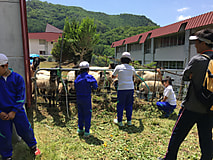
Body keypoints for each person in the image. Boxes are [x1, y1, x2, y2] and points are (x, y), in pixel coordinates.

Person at [158, 28, 213, 160]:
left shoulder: (198, 59)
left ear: (204, 43)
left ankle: (169, 158)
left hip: (191, 106)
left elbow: (185, 77)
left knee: (177, 135)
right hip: (210, 108)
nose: (195, 45)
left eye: (197, 42)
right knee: (206, 138)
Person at [0, 53, 40, 160]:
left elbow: (21, 96)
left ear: (5, 66)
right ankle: (6, 156)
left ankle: (33, 146)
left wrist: (14, 111)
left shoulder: (17, 78)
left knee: (25, 129)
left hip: (17, 111)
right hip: (2, 113)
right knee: (4, 135)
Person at [74, 61, 98, 137]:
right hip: (86, 98)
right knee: (87, 114)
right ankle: (87, 131)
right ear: (88, 69)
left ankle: (80, 129)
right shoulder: (89, 77)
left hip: (78, 98)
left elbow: (75, 86)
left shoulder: (78, 78)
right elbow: (95, 86)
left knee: (80, 113)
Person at [112, 52, 136, 126]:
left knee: (120, 105)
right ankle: (129, 121)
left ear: (121, 59)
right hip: (130, 88)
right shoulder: (132, 68)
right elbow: (134, 75)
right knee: (129, 105)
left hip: (122, 88)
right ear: (129, 60)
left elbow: (113, 76)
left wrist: (118, 76)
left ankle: (120, 121)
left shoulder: (118, 67)